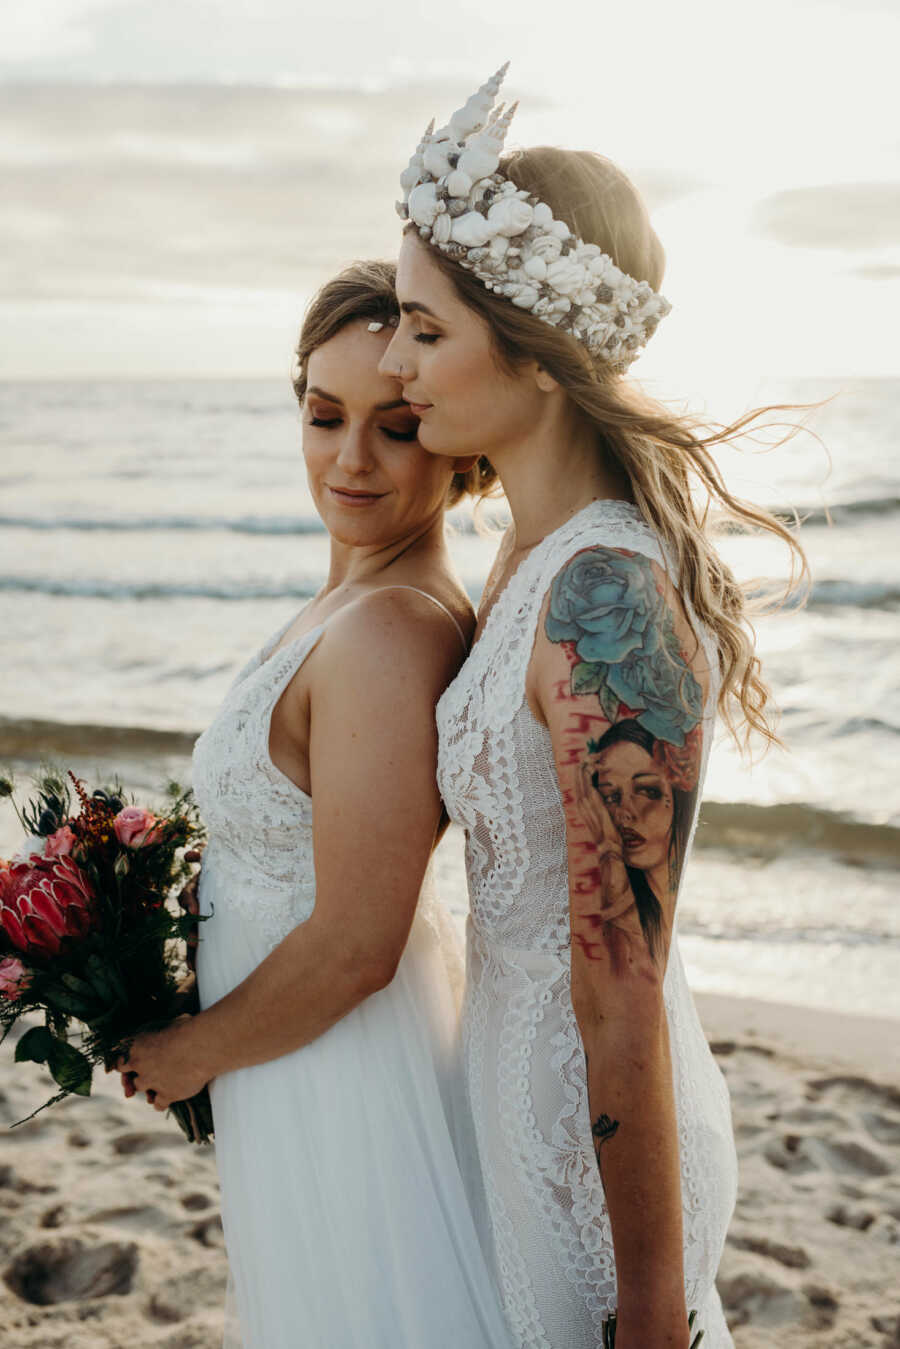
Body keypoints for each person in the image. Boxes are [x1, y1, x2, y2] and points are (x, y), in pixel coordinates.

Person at [380, 65, 810, 1349]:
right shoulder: (521, 556)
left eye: (425, 328)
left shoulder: (601, 593)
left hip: (590, 1137)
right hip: (505, 1084)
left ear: (541, 357)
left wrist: (649, 1305)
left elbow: (622, 983)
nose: (396, 359)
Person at [113, 261, 513, 1349]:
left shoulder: (390, 629)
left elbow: (356, 940)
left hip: (346, 1069)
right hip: (289, 1058)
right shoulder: (347, 599)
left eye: (396, 426)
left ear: (460, 442)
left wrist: (191, 1049)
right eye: (325, 414)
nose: (350, 457)